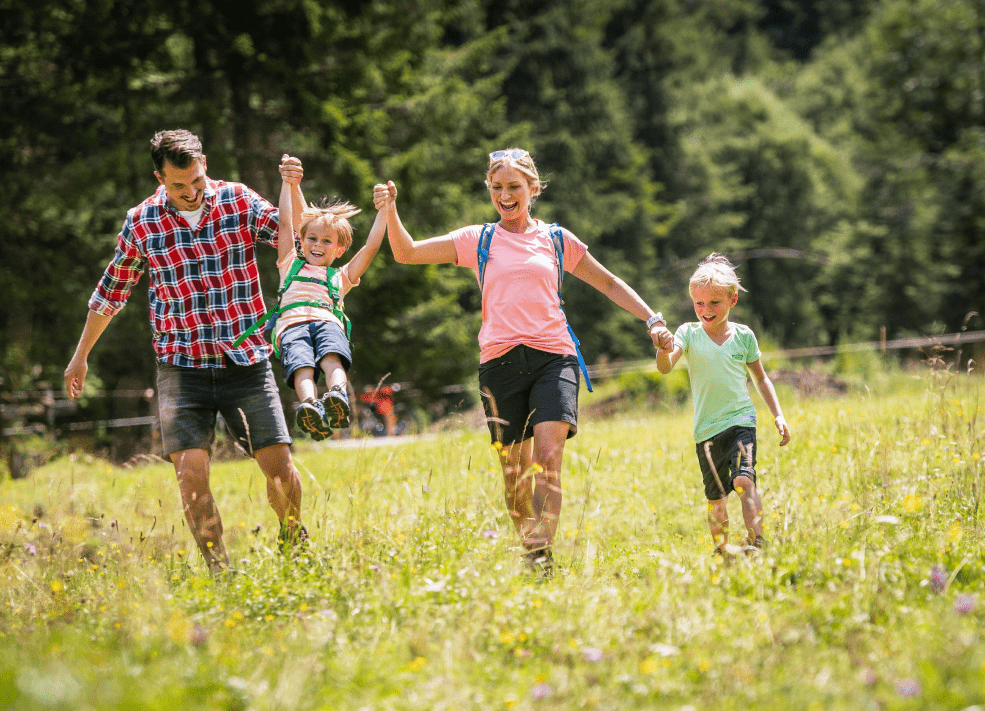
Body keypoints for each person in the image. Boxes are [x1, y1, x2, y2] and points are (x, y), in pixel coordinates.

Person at [379, 148, 673, 579]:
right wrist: (390, 210)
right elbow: (406, 253)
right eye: (497, 188)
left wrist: (652, 318)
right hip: (498, 364)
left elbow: (607, 281)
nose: (505, 195)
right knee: (515, 477)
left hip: (554, 357)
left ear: (533, 189)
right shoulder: (476, 240)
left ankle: (541, 558)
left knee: (548, 460)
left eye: (514, 187)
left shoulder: (556, 239)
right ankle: (532, 549)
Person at [64, 129, 308, 574]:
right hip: (181, 367)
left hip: (246, 361)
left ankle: (295, 540)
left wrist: (293, 188)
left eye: (197, 180)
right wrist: (81, 355)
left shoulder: (237, 200)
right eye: (179, 186)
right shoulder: (142, 221)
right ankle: (220, 573)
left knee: (279, 470)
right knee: (192, 476)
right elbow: (110, 293)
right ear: (160, 178)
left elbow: (298, 240)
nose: (192, 192)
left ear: (205, 164)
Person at [655, 253, 791, 560]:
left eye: (714, 303)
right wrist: (662, 350)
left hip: (741, 420)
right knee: (716, 500)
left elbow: (761, 378)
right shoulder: (687, 334)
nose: (705, 310)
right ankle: (722, 552)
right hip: (705, 431)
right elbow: (665, 367)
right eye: (699, 303)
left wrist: (778, 414)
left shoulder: (743, 337)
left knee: (744, 479)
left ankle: (757, 543)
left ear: (732, 301)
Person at [251, 157, 387, 441]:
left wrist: (386, 209)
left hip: (326, 321)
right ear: (302, 241)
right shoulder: (289, 263)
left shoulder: (340, 277)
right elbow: (287, 223)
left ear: (339, 249)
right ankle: (310, 404)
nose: (317, 245)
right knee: (302, 366)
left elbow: (372, 246)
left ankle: (337, 395)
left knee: (331, 358)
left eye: (327, 241)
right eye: (312, 238)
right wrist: (288, 184)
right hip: (292, 326)